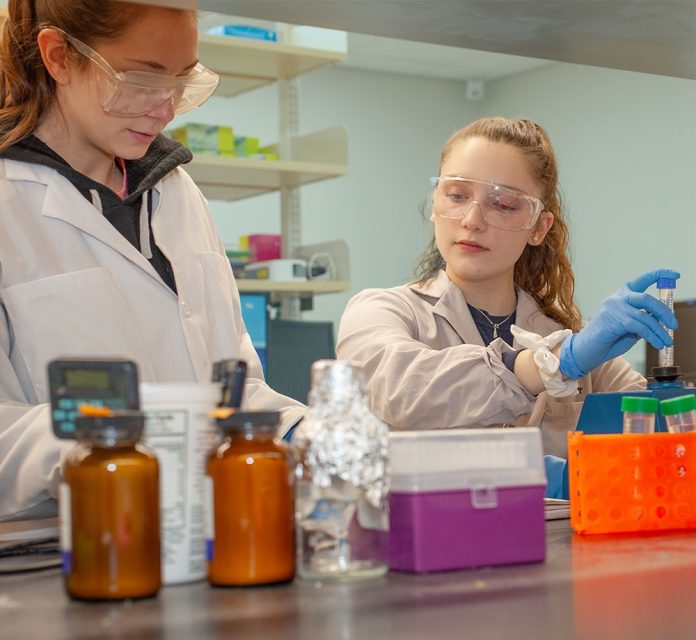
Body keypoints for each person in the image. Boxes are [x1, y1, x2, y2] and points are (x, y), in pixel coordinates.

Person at [0, 0, 304, 521]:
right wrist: (126, 444)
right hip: (63, 546)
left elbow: (233, 387)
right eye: (141, 79)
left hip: (203, 530)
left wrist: (303, 432)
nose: (164, 109)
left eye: (182, 82)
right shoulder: (11, 202)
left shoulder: (178, 192)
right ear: (59, 57)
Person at [337, 116, 678, 466]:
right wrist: (546, 366)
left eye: (503, 204)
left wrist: (671, 399)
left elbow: (660, 428)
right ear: (435, 205)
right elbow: (399, 392)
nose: (472, 219)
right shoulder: (380, 312)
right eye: (456, 195)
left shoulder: (564, 337)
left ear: (538, 228)